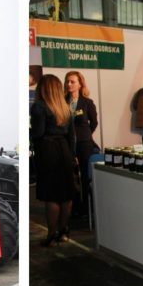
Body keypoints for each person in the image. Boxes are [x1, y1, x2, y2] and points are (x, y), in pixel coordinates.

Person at [30, 74, 77, 247]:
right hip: (64, 151)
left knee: (52, 196)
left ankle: (51, 233)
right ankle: (64, 231)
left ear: (42, 88)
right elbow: (72, 136)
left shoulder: (39, 107)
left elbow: (39, 133)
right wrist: (72, 156)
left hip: (47, 152)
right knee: (66, 195)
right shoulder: (65, 108)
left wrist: (29, 133)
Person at [65, 71, 100, 219]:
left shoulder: (87, 102)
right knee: (71, 177)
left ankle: (86, 208)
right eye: (67, 81)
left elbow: (94, 122)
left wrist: (85, 135)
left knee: (85, 176)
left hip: (84, 143)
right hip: (67, 144)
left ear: (80, 84)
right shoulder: (62, 102)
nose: (69, 84)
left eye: (72, 82)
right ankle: (74, 208)